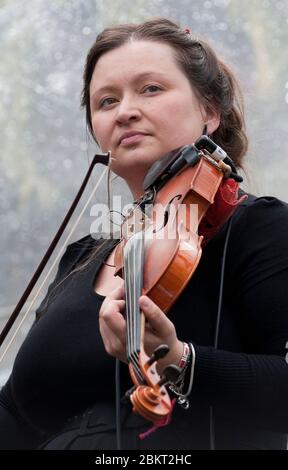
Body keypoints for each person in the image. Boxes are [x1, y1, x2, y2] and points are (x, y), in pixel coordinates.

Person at [1, 17, 288, 451]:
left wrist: (180, 362)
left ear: (210, 111)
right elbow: (17, 414)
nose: (125, 111)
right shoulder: (80, 258)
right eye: (106, 101)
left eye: (151, 89)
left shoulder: (259, 227)